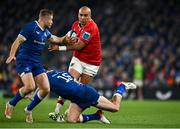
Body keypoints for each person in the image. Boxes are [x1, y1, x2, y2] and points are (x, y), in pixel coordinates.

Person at [4, 9, 73, 123]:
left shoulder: (45, 32)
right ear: (44, 18)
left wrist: (64, 38)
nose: (52, 22)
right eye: (51, 19)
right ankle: (10, 104)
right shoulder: (30, 28)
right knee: (30, 87)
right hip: (24, 60)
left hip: (36, 62)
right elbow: (17, 41)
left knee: (46, 88)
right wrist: (12, 55)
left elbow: (56, 39)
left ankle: (28, 109)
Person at [48, 6, 102, 117]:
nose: (82, 17)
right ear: (78, 15)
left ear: (90, 16)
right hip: (78, 59)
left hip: (92, 63)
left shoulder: (92, 27)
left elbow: (78, 46)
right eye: (81, 15)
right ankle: (57, 111)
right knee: (67, 82)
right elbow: (68, 38)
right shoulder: (75, 25)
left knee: (80, 90)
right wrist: (64, 40)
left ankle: (68, 112)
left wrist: (59, 48)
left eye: (85, 15)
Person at [46, 70, 136, 123]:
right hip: (77, 99)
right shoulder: (57, 76)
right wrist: (57, 108)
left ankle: (122, 86)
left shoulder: (52, 78)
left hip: (88, 94)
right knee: (71, 120)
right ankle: (97, 116)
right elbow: (64, 93)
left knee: (115, 108)